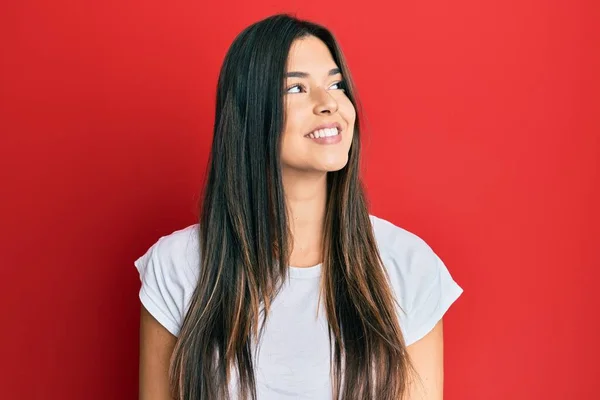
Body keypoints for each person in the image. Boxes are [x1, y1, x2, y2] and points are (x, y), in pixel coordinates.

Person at [134, 13, 463, 400]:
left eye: (336, 84)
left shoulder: (408, 266)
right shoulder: (176, 267)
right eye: (296, 89)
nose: (329, 104)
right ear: (251, 114)